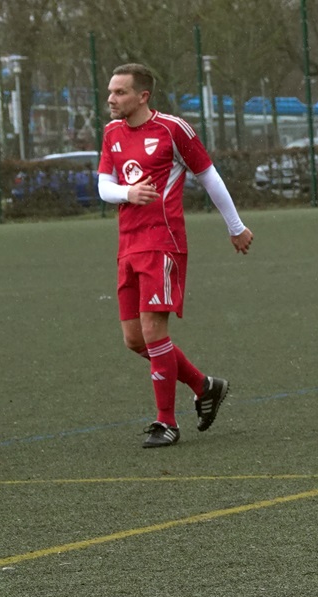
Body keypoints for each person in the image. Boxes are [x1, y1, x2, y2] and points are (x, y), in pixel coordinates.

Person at [97, 63, 253, 448]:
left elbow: (209, 176)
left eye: (119, 92)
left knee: (154, 331)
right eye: (111, 91)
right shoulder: (112, 132)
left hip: (163, 243)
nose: (111, 99)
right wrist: (128, 193)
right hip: (128, 246)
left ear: (143, 96)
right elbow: (103, 186)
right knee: (135, 340)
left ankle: (166, 422)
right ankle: (204, 385)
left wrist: (235, 227)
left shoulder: (172, 129)